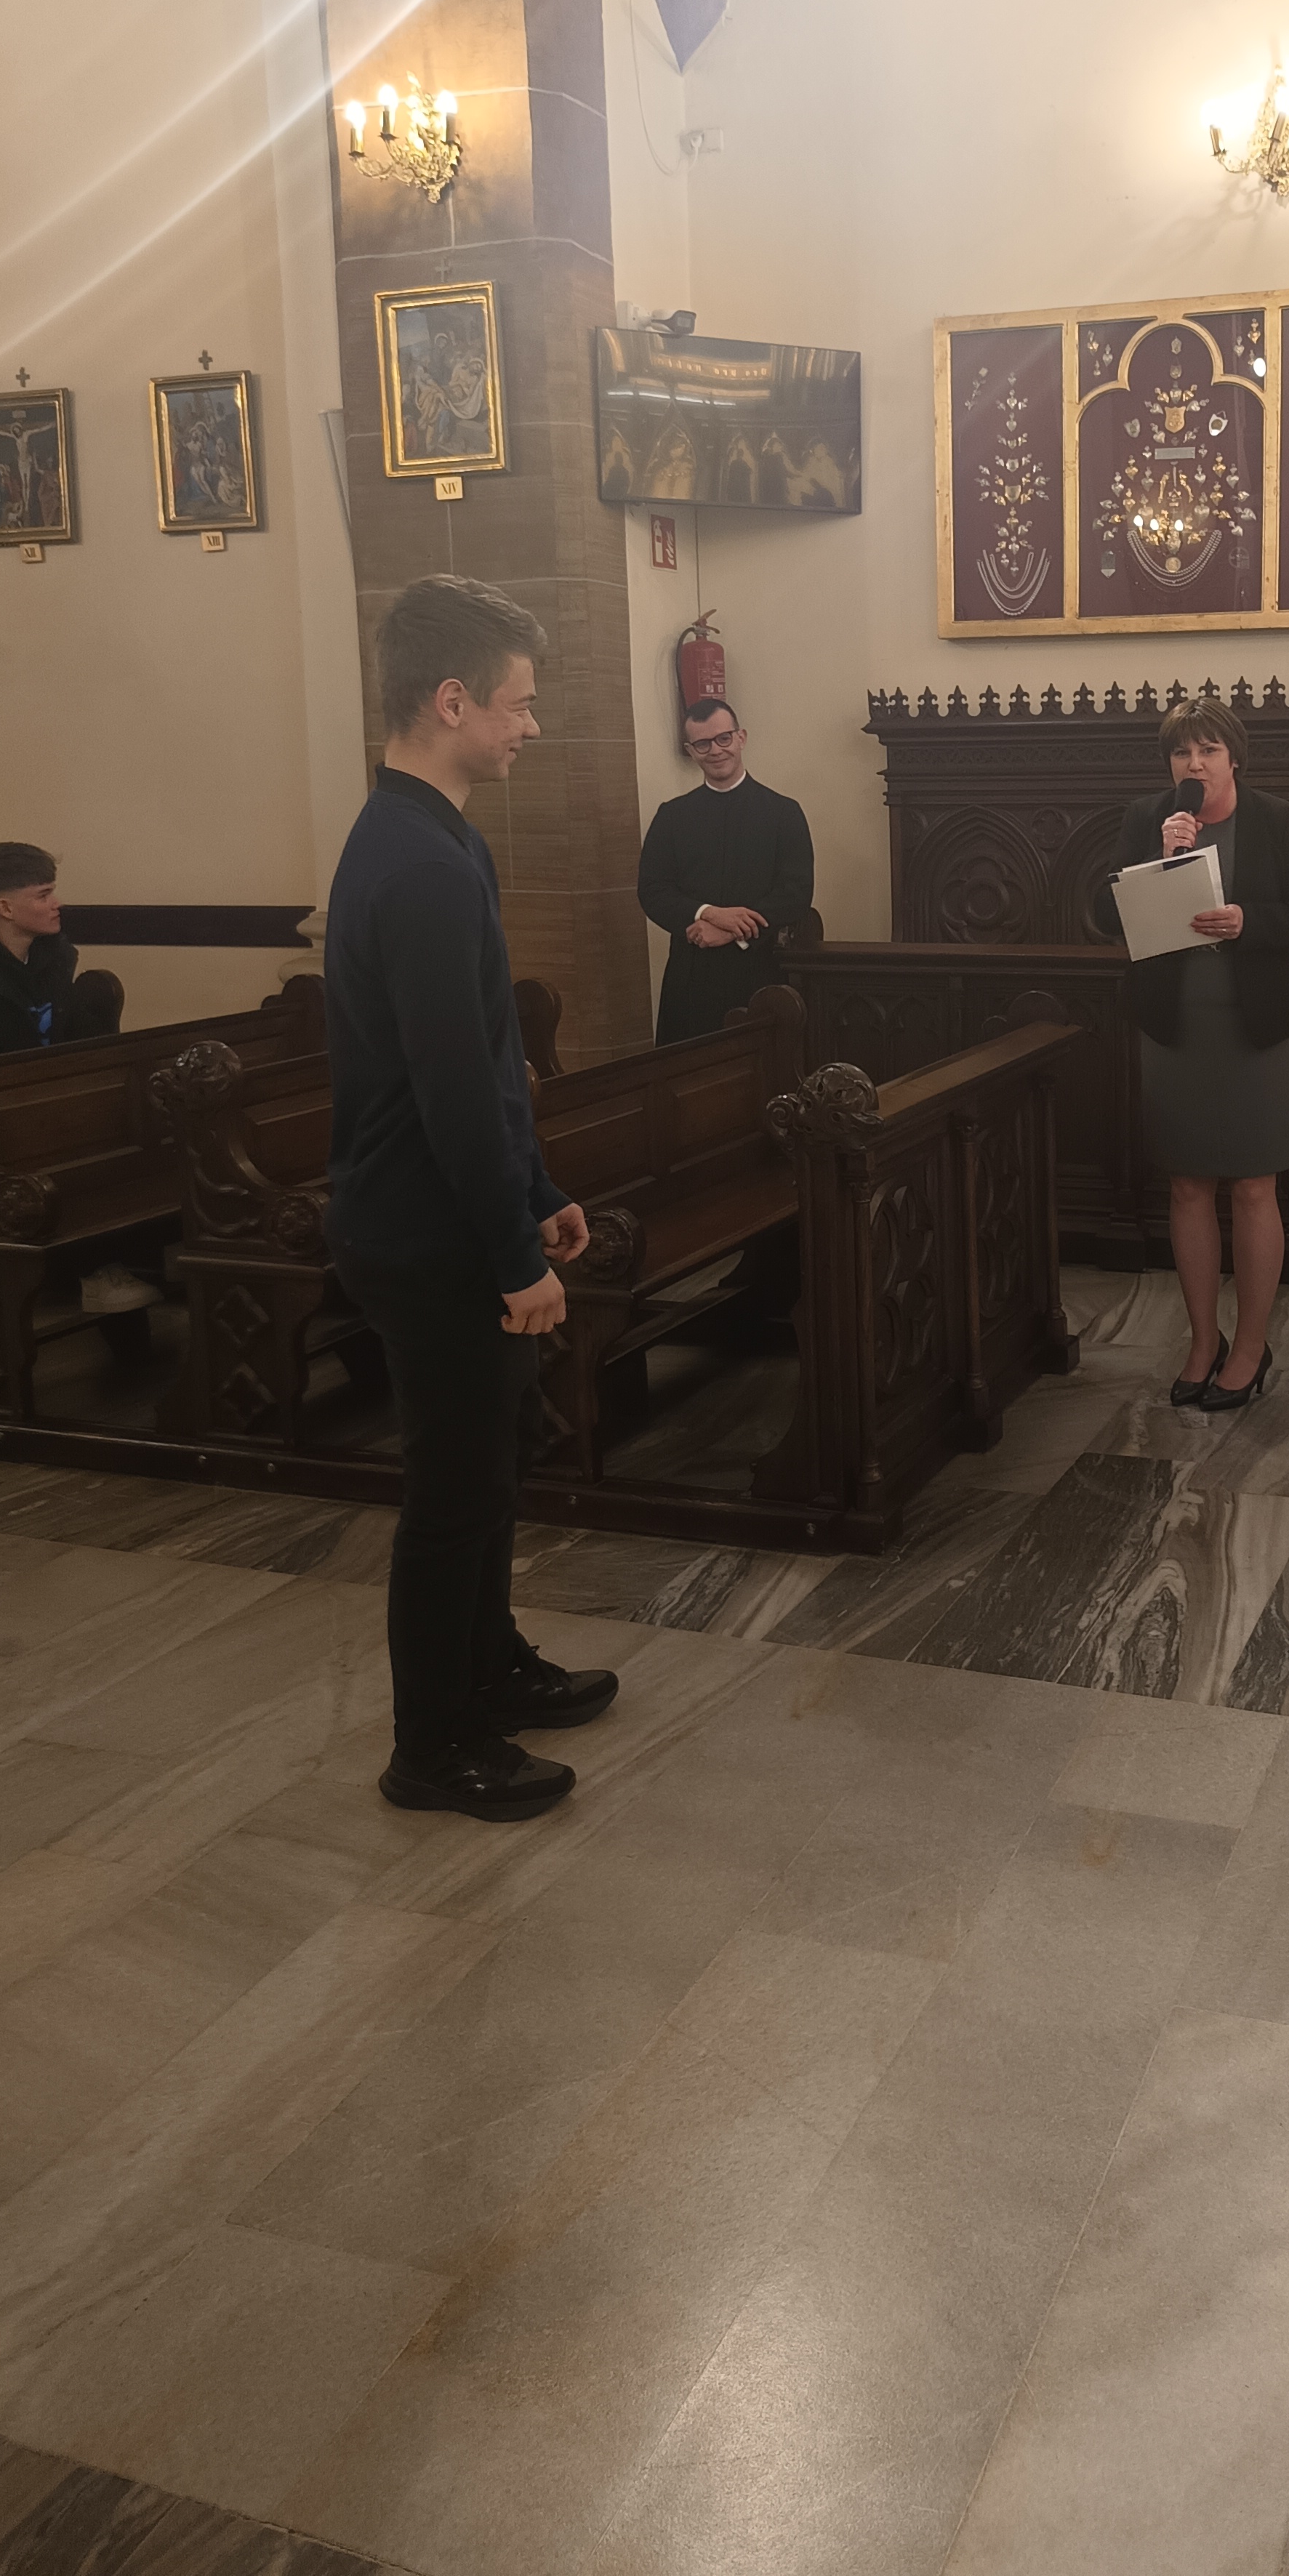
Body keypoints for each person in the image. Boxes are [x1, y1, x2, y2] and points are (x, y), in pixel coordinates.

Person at [325, 574, 618, 1826]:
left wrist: (536, 1189)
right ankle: (435, 1745)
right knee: (452, 1494)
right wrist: (511, 1253)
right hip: (426, 1229)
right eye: (518, 704)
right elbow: (448, 1093)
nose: (531, 727)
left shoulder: (436, 839)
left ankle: (486, 1666)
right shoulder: (420, 862)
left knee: (489, 1468)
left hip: (448, 1212)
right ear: (451, 702)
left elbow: (489, 1061)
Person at [1098, 693, 1289, 1412]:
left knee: (1255, 1187)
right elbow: (1105, 916)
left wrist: (1247, 920)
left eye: (1208, 750)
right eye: (1181, 752)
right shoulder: (1148, 820)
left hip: (1257, 1028)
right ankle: (1204, 1342)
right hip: (1177, 1026)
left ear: (1235, 757)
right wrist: (1160, 858)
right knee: (1188, 1186)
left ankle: (1252, 1347)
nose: (1194, 764)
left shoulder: (1277, 820)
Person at [637, 697, 816, 1045]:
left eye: (723, 738)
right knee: (688, 1070)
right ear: (690, 751)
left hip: (760, 973)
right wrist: (708, 914)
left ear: (741, 738)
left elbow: (795, 894)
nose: (716, 751)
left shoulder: (784, 813)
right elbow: (653, 890)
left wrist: (733, 932)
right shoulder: (672, 816)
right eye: (703, 744)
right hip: (692, 974)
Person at [0, 845, 124, 1058]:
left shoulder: (56, 955)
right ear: (5, 908)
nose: (57, 904)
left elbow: (75, 1043)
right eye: (43, 896)